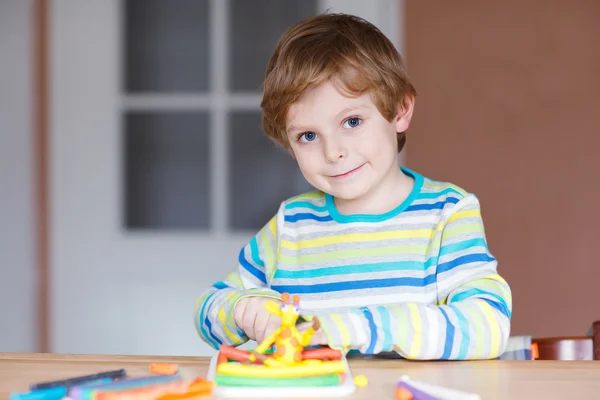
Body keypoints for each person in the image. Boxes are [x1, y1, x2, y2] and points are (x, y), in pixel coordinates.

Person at [193, 12, 512, 360]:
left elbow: (489, 326)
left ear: (400, 110)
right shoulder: (292, 226)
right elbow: (207, 312)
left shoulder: (447, 214)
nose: (333, 152)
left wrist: (360, 329)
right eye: (308, 135)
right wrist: (244, 308)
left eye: (352, 121)